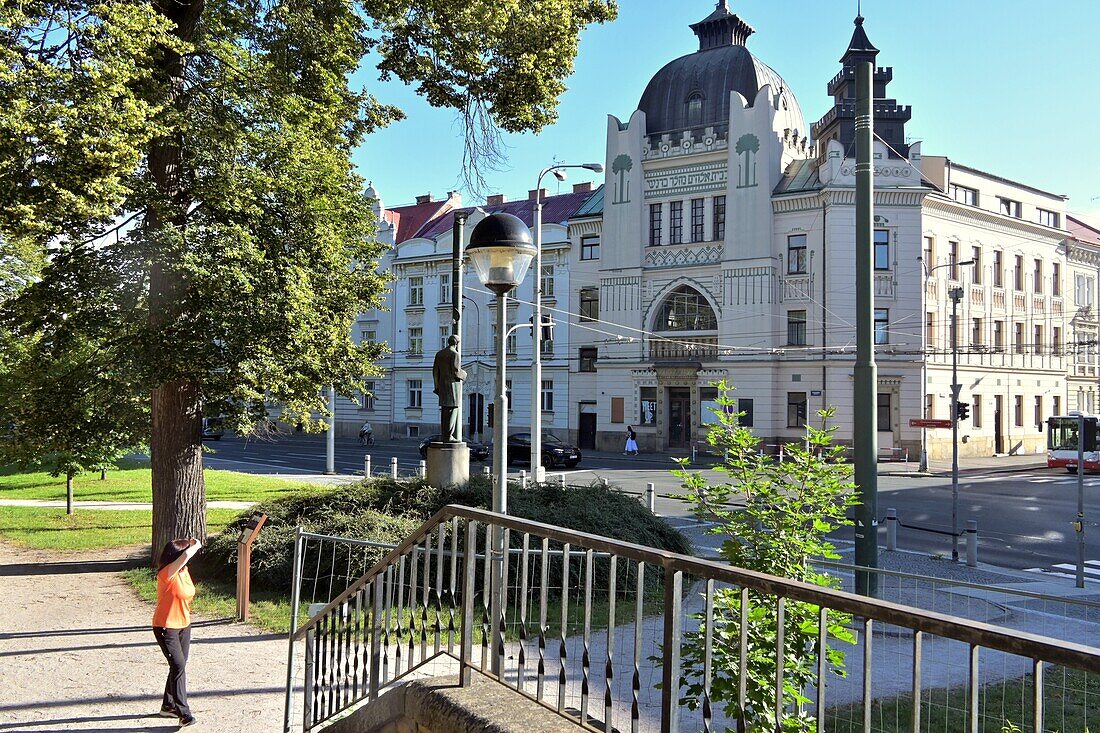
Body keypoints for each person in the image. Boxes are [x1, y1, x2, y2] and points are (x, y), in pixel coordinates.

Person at [152, 537, 201, 727]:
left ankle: (168, 706)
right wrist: (194, 545)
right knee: (179, 666)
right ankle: (184, 713)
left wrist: (188, 546)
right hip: (166, 627)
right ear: (176, 557)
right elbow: (187, 554)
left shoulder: (183, 571)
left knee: (179, 666)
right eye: (183, 557)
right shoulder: (166, 573)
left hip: (184, 624)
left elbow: (185, 560)